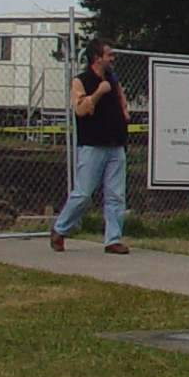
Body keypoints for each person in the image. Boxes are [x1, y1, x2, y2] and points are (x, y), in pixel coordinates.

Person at [51, 40, 132, 253]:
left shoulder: (114, 82)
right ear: (97, 58)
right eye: (109, 55)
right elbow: (80, 109)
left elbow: (122, 105)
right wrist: (98, 93)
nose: (112, 59)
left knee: (115, 195)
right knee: (84, 193)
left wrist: (124, 120)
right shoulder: (80, 81)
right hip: (92, 146)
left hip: (115, 144)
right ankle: (60, 229)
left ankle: (112, 239)